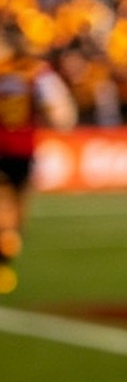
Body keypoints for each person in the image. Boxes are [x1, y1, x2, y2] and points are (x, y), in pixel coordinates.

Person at [0, 24, 76, 295]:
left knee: (5, 204)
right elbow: (61, 114)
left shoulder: (3, 71)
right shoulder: (38, 74)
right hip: (24, 148)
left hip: (2, 146)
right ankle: (9, 250)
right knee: (20, 205)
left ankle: (4, 256)